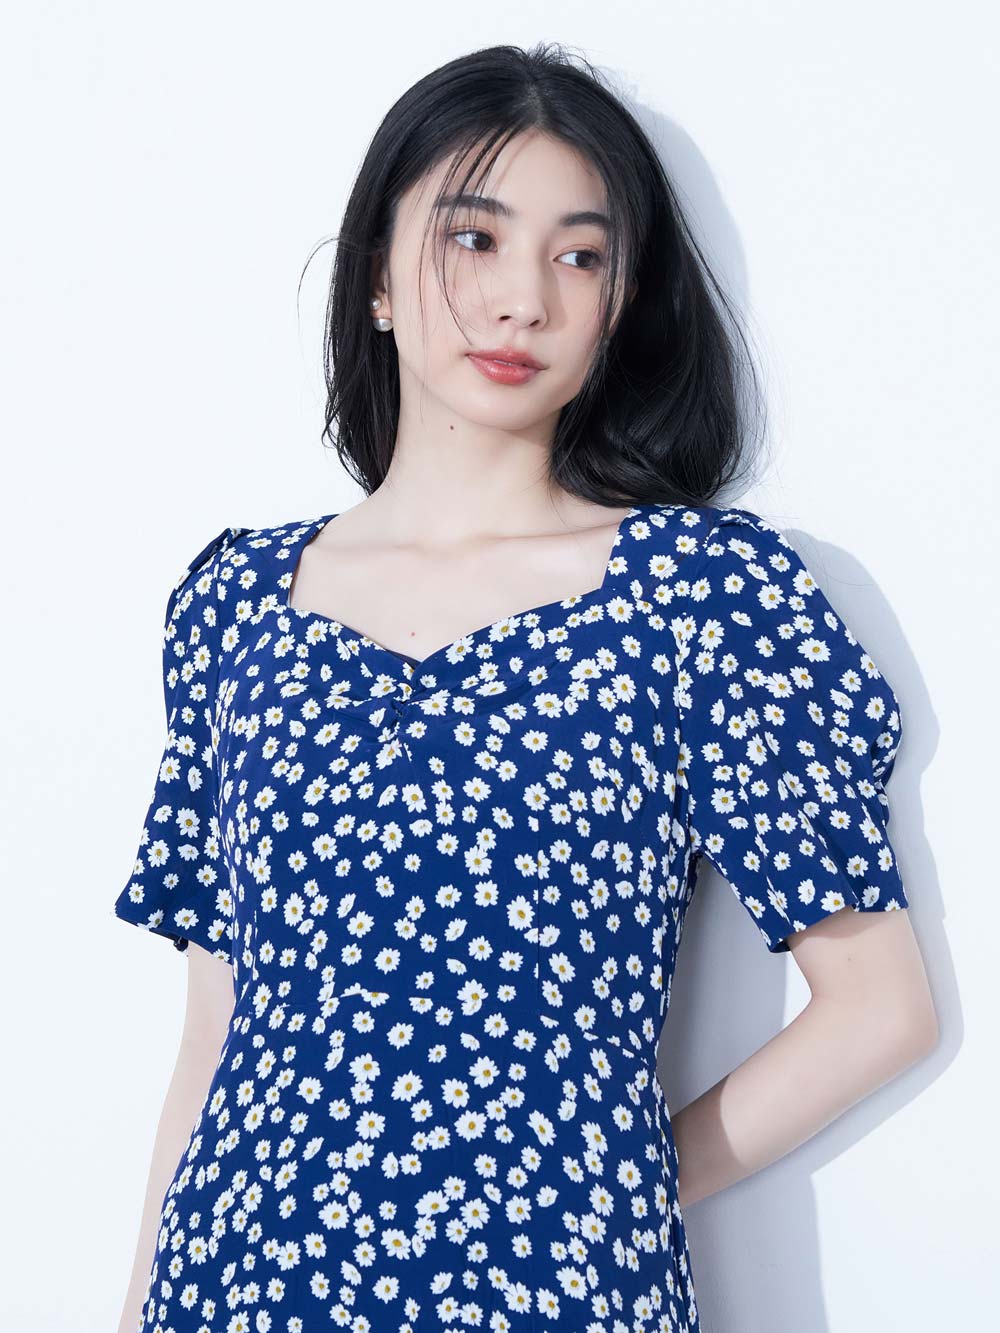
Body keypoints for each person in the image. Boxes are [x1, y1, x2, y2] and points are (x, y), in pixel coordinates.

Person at [113, 42, 938, 1333]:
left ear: (620, 305)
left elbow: (880, 1009)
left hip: (556, 1296)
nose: (523, 302)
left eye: (581, 256)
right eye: (475, 238)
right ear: (375, 275)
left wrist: (590, 1194)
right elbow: (216, 1039)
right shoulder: (236, 605)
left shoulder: (699, 598)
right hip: (241, 1287)